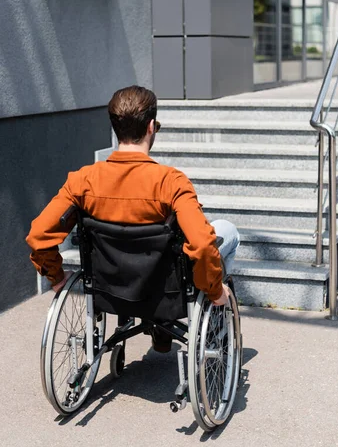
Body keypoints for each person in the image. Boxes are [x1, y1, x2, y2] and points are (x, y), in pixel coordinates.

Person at [26, 85, 239, 352]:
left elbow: (39, 236)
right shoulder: (171, 182)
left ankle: (158, 324)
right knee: (227, 231)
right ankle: (213, 318)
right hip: (164, 290)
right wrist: (215, 290)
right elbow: (203, 245)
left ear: (115, 128)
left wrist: (56, 278)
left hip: (108, 288)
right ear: (151, 127)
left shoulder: (82, 181)